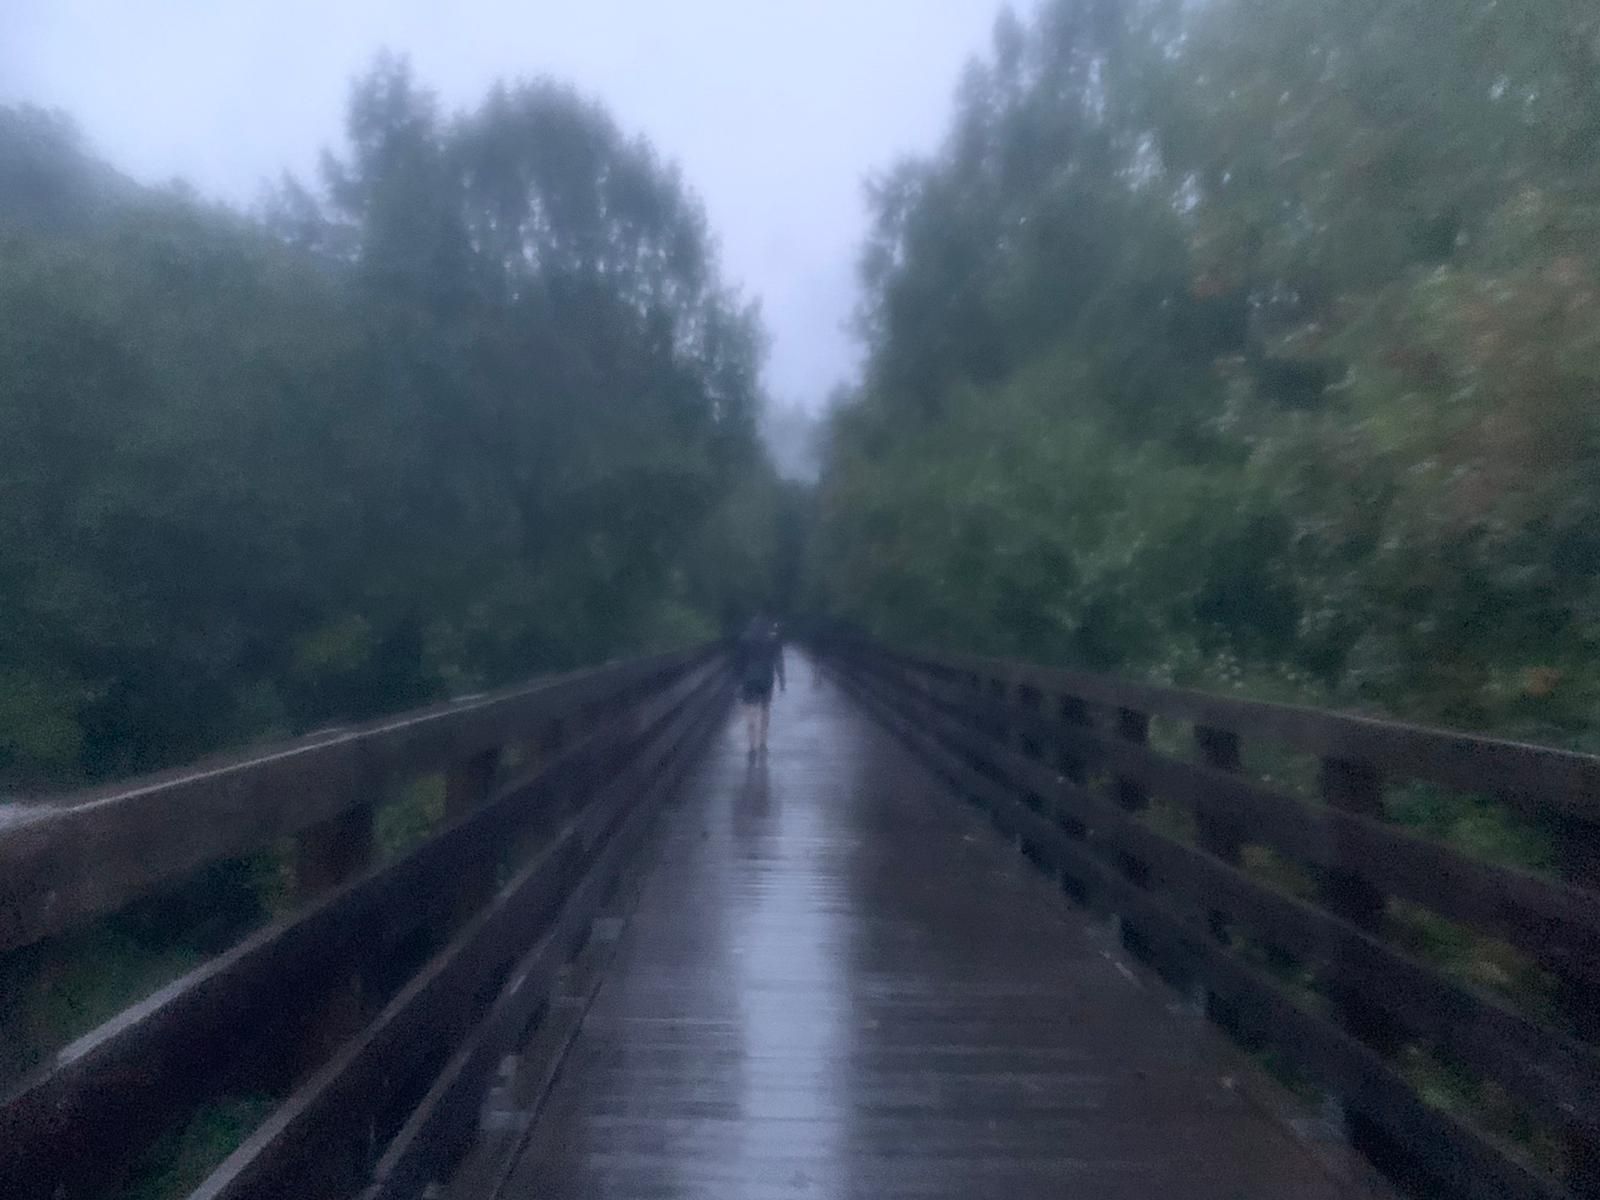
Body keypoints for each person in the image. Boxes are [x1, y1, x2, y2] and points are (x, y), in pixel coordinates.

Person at [733, 617, 785, 756]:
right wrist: (782, 681)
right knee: (765, 708)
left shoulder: (745, 639)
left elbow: (739, 663)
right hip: (767, 678)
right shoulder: (772, 640)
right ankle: (763, 742)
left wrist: (737, 681)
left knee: (750, 710)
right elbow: (778, 660)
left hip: (749, 678)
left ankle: (752, 745)